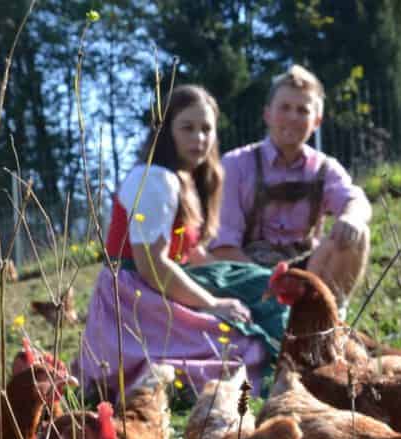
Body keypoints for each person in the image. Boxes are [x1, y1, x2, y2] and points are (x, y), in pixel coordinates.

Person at [76, 85, 290, 389]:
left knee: (264, 286)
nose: (198, 138)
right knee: (243, 344)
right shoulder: (154, 179)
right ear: (166, 132)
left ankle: (299, 353)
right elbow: (152, 265)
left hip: (160, 282)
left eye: (206, 129)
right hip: (134, 298)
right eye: (187, 128)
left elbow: (192, 253)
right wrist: (213, 303)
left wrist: (241, 277)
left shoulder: (186, 178)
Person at [210, 65, 372, 308]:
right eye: (284, 108)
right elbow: (223, 248)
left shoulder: (326, 169)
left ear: (316, 121)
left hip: (307, 269)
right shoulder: (235, 165)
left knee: (358, 235)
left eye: (302, 110)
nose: (293, 117)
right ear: (267, 114)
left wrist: (352, 218)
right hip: (246, 272)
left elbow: (356, 199)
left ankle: (328, 320)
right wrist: (271, 284)